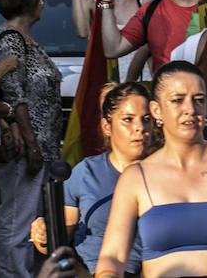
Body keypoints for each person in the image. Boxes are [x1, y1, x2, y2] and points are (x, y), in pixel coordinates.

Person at [97, 61, 207, 278]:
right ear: (156, 110)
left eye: (198, 100)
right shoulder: (136, 177)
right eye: (177, 100)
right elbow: (112, 255)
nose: (190, 109)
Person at [30, 82, 156, 275]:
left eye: (146, 119)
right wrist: (43, 234)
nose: (140, 127)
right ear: (107, 126)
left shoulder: (166, 172)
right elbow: (58, 245)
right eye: (128, 119)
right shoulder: (86, 172)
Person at [0, 0, 64, 278]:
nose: (42, 5)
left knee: (29, 221)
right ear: (26, 1)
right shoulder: (10, 40)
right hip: (25, 147)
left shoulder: (24, 39)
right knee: (17, 221)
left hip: (41, 145)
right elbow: (15, 96)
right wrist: (32, 144)